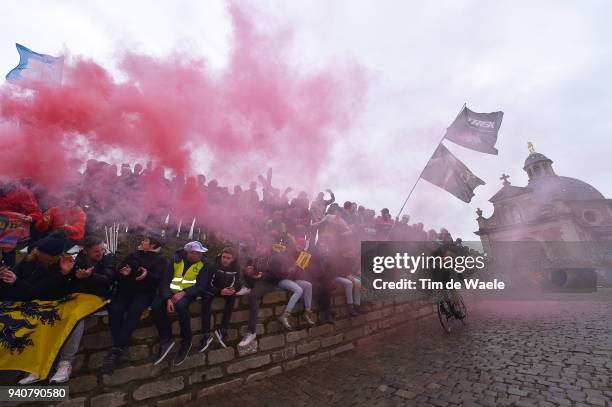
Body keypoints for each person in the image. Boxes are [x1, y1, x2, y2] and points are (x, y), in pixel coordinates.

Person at [0, 235, 74, 385]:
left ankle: (33, 369)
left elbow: (41, 292)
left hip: (41, 306)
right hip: (18, 302)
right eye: (38, 251)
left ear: (52, 257)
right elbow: (14, 277)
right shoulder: (30, 260)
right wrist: (4, 276)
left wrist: (16, 282)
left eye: (42, 253)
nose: (38, 253)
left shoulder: (58, 269)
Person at [46, 235, 114, 384]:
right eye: (96, 251)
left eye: (102, 249)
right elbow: (66, 284)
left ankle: (66, 363)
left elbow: (108, 279)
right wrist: (65, 273)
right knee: (55, 314)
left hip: (99, 297)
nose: (101, 253)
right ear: (85, 251)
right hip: (77, 297)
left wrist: (89, 277)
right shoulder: (77, 260)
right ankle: (45, 363)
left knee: (76, 316)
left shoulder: (108, 258)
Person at [102, 234, 167, 375]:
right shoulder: (133, 255)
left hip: (144, 293)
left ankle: (116, 350)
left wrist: (147, 275)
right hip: (125, 290)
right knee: (114, 309)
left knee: (134, 311)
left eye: (145, 240)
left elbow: (159, 280)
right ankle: (120, 346)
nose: (142, 241)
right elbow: (118, 273)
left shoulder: (161, 259)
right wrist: (123, 274)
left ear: (153, 245)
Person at [152, 241, 209, 366]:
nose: (201, 256)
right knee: (156, 306)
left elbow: (201, 286)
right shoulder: (174, 261)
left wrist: (184, 293)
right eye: (198, 253)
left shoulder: (203, 263)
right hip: (171, 292)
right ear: (189, 253)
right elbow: (165, 282)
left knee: (181, 306)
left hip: (189, 293)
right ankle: (166, 338)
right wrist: (168, 298)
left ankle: (186, 341)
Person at [198, 247, 241, 352]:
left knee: (232, 297)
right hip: (214, 290)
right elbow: (208, 284)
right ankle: (206, 334)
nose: (225, 260)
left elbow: (238, 282)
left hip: (226, 290)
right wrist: (219, 291)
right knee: (206, 298)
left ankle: (223, 330)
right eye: (224, 257)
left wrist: (232, 289)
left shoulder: (236, 267)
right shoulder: (213, 266)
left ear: (233, 259)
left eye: (228, 258)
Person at [0, 182, 42, 267]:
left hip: (12, 228)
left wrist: (30, 217)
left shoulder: (23, 193)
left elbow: (36, 212)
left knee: (8, 249)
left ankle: (9, 269)